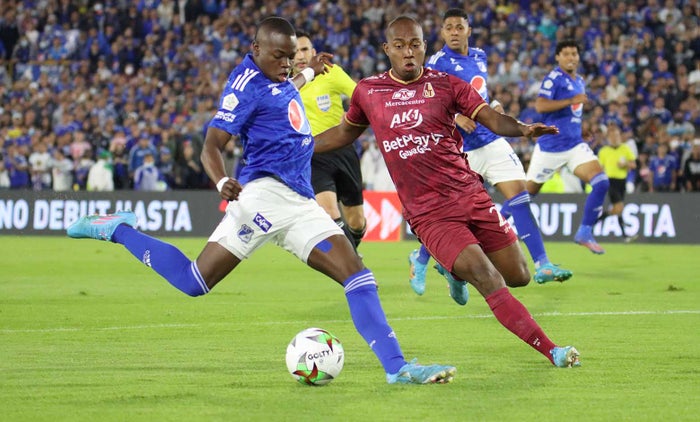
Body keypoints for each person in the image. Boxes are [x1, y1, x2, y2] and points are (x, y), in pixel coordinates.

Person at [66, 16, 455, 385]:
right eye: (279, 56)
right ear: (256, 48)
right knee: (194, 281)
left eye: (290, 56)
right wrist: (222, 180)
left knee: (357, 275)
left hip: (300, 200)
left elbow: (286, 88)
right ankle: (118, 229)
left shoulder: (278, 76)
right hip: (262, 197)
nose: (286, 64)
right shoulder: (243, 87)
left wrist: (310, 71)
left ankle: (397, 368)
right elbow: (211, 144)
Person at [313, 15, 580, 368]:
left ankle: (451, 270)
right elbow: (344, 133)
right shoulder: (369, 91)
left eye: (415, 45)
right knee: (488, 278)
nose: (408, 52)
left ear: (425, 46)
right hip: (429, 212)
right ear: (387, 49)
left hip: (470, 194)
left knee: (519, 276)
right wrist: (299, 147)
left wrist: (523, 129)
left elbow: (492, 119)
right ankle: (553, 350)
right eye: (400, 46)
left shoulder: (447, 84)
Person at [408, 8, 572, 299]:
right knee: (451, 213)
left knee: (519, 196)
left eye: (459, 27)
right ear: (442, 32)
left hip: (491, 140)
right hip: (459, 148)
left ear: (469, 30)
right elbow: (424, 100)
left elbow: (481, 92)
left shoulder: (479, 56)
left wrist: (493, 105)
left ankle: (543, 264)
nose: (454, 32)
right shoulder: (437, 62)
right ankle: (420, 260)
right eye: (449, 27)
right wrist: (456, 117)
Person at [524, 39, 610, 255]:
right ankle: (494, 224)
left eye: (574, 54)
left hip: (574, 145)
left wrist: (580, 130)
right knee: (524, 197)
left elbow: (572, 113)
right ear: (558, 57)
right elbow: (541, 105)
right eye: (566, 54)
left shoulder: (579, 80)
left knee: (600, 182)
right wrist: (571, 99)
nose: (571, 57)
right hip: (550, 147)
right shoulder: (554, 78)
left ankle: (585, 232)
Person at [292, 30, 366, 251]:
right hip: (312, 154)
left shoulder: (330, 72)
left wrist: (353, 117)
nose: (300, 56)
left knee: (356, 222)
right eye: (295, 51)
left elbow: (361, 96)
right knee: (329, 213)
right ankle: (354, 265)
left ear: (313, 52)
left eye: (304, 49)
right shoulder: (286, 85)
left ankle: (351, 253)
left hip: (343, 150)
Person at [596, 122, 637, 241]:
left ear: (620, 136)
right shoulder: (603, 151)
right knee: (619, 207)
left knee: (617, 210)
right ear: (608, 138)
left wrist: (625, 164)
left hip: (622, 181)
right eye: (612, 136)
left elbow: (633, 165)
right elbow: (600, 168)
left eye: (617, 136)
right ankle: (625, 236)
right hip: (610, 181)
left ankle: (593, 224)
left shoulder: (625, 148)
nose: (615, 138)